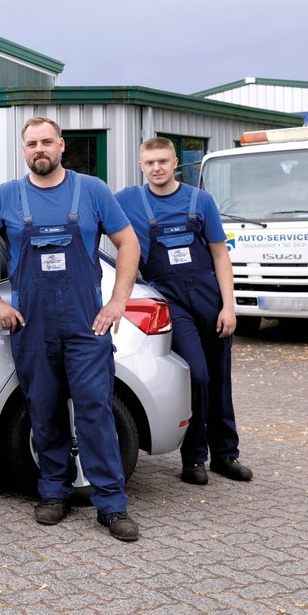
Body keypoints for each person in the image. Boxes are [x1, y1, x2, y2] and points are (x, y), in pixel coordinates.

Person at [0, 116, 143, 542]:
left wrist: (118, 301)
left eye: (46, 141)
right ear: (23, 150)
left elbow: (129, 243)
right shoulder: (8, 195)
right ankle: (54, 493)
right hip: (33, 325)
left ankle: (111, 504)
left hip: (85, 325)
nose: (39, 149)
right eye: (31, 144)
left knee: (95, 410)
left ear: (62, 146)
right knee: (42, 410)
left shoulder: (92, 190)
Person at [114, 138, 251, 486]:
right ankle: (193, 459)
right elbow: (93, 215)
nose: (156, 168)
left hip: (209, 297)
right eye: (149, 163)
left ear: (175, 162)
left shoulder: (199, 200)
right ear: (141, 165)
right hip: (171, 298)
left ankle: (226, 456)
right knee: (197, 375)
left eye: (162, 161)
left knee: (220, 379)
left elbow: (220, 255)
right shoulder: (128, 200)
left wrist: (229, 307)